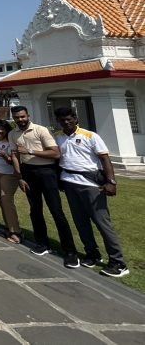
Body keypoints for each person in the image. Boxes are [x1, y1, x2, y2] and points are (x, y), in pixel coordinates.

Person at [54, 107, 128, 277]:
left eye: (69, 119)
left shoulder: (90, 136)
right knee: (81, 222)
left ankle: (118, 262)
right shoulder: (58, 137)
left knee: (102, 222)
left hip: (91, 184)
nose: (66, 122)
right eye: (62, 120)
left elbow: (104, 158)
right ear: (58, 121)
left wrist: (111, 182)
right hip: (69, 182)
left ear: (75, 118)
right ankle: (92, 253)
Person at [10, 106, 79, 267]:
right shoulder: (13, 134)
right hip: (28, 172)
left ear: (28, 116)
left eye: (22, 116)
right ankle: (42, 243)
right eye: (17, 117)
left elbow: (55, 153)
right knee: (35, 210)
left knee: (56, 210)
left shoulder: (40, 130)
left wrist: (30, 151)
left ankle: (70, 251)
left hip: (46, 172)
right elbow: (15, 155)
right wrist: (19, 176)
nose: (20, 120)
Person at [0, 120, 22, 244]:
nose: (0, 131)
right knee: (1, 200)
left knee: (6, 200)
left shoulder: (10, 140)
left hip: (9, 174)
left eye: (3, 129)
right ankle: (8, 226)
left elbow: (14, 160)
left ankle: (16, 231)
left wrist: (5, 157)